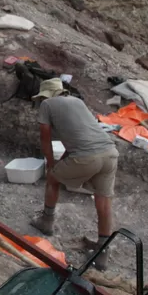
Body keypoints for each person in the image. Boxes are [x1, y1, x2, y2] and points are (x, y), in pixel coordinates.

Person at [28, 78, 119, 270]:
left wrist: (51, 164)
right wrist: (63, 161)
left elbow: (45, 138)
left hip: (87, 156)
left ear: (46, 95)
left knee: (52, 179)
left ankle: (47, 221)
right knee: (103, 202)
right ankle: (102, 255)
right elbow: (81, 135)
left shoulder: (47, 104)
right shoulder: (78, 101)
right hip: (110, 153)